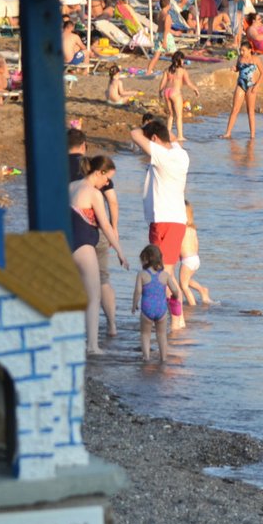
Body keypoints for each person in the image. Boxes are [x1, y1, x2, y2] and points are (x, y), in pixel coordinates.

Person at [130, 118, 191, 328]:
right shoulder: (180, 153)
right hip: (172, 220)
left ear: (155, 139)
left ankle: (176, 320)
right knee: (164, 273)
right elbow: (171, 138)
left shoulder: (162, 155)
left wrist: (148, 129)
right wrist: (158, 128)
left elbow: (133, 134)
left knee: (162, 274)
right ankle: (177, 319)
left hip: (164, 220)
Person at [69, 156, 128, 354]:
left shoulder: (71, 186)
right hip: (84, 246)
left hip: (66, 244)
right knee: (93, 297)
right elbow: (106, 225)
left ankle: (73, 338)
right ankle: (92, 346)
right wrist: (120, 251)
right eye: (107, 178)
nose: (107, 183)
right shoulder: (93, 193)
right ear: (100, 172)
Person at [131, 243, 180, 364]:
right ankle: (163, 358)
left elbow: (138, 291)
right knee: (162, 335)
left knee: (145, 334)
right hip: (161, 309)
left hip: (147, 309)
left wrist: (134, 304)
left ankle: (146, 358)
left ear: (146, 259)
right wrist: (175, 297)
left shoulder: (142, 274)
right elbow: (175, 290)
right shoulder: (165, 275)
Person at [158, 51, 198, 142]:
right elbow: (188, 82)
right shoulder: (182, 70)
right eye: (183, 60)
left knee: (170, 115)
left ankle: (168, 134)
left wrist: (160, 92)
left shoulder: (167, 70)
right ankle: (180, 136)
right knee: (179, 116)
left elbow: (163, 83)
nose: (183, 62)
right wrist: (195, 89)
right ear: (179, 60)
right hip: (175, 92)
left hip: (167, 92)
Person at [177, 201, 211, 307]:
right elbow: (196, 243)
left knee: (183, 285)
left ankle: (192, 306)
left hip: (187, 260)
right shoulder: (192, 229)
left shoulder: (181, 229)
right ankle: (202, 290)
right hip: (195, 259)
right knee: (186, 280)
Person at [223, 53, 261, 139]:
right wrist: (235, 68)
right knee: (235, 109)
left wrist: (257, 85)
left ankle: (252, 135)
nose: (241, 52)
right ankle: (228, 133)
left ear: (249, 50)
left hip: (251, 85)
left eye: (243, 50)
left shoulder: (256, 59)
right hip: (240, 84)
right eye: (241, 50)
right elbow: (238, 68)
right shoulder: (240, 58)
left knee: (250, 111)